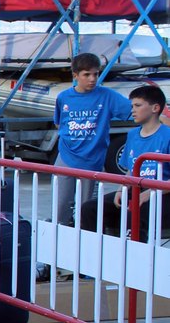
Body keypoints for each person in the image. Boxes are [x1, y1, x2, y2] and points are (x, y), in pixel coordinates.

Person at [80, 85, 170, 237]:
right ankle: (94, 255)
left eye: (138, 105)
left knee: (133, 211)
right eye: (132, 106)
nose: (133, 110)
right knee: (90, 208)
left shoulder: (167, 135)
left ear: (155, 108)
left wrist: (148, 193)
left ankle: (135, 257)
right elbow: (131, 168)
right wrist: (121, 189)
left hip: (164, 194)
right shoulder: (133, 135)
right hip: (137, 190)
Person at [53, 53, 132, 225]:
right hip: (66, 156)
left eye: (95, 74)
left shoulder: (107, 96)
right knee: (61, 204)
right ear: (75, 76)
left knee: (87, 208)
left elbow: (134, 110)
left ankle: (84, 240)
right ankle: (61, 236)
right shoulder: (64, 97)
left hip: (92, 160)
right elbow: (59, 124)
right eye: (87, 74)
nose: (92, 79)